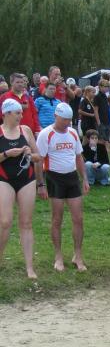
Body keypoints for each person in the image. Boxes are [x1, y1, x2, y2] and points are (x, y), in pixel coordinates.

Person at [36, 103, 90, 272]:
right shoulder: (46, 134)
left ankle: (78, 255)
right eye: (64, 120)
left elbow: (78, 157)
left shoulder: (72, 133)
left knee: (78, 218)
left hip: (71, 177)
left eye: (69, 120)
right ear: (56, 117)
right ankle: (58, 256)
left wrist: (85, 178)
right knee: (57, 219)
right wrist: (41, 184)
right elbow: (38, 160)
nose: (67, 123)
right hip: (54, 177)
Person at [0, 98, 43, 279]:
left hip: (26, 179)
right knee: (5, 222)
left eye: (21, 112)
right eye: (17, 112)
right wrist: (6, 154)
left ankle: (29, 268)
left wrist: (29, 154)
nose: (21, 115)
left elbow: (38, 156)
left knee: (26, 223)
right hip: (4, 179)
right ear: (7, 113)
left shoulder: (25, 130)